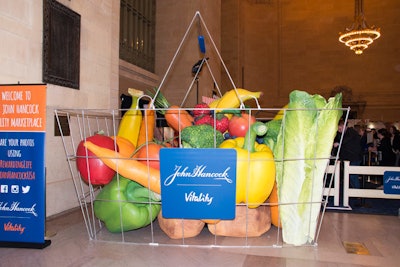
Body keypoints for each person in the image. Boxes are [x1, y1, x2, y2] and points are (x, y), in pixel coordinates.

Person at [333, 120, 363, 188]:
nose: (339, 130)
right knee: (351, 175)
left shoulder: (351, 132)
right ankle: (355, 191)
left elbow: (346, 141)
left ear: (343, 126)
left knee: (353, 175)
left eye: (340, 128)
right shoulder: (345, 133)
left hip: (354, 157)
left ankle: (357, 191)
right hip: (350, 158)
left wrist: (338, 143)